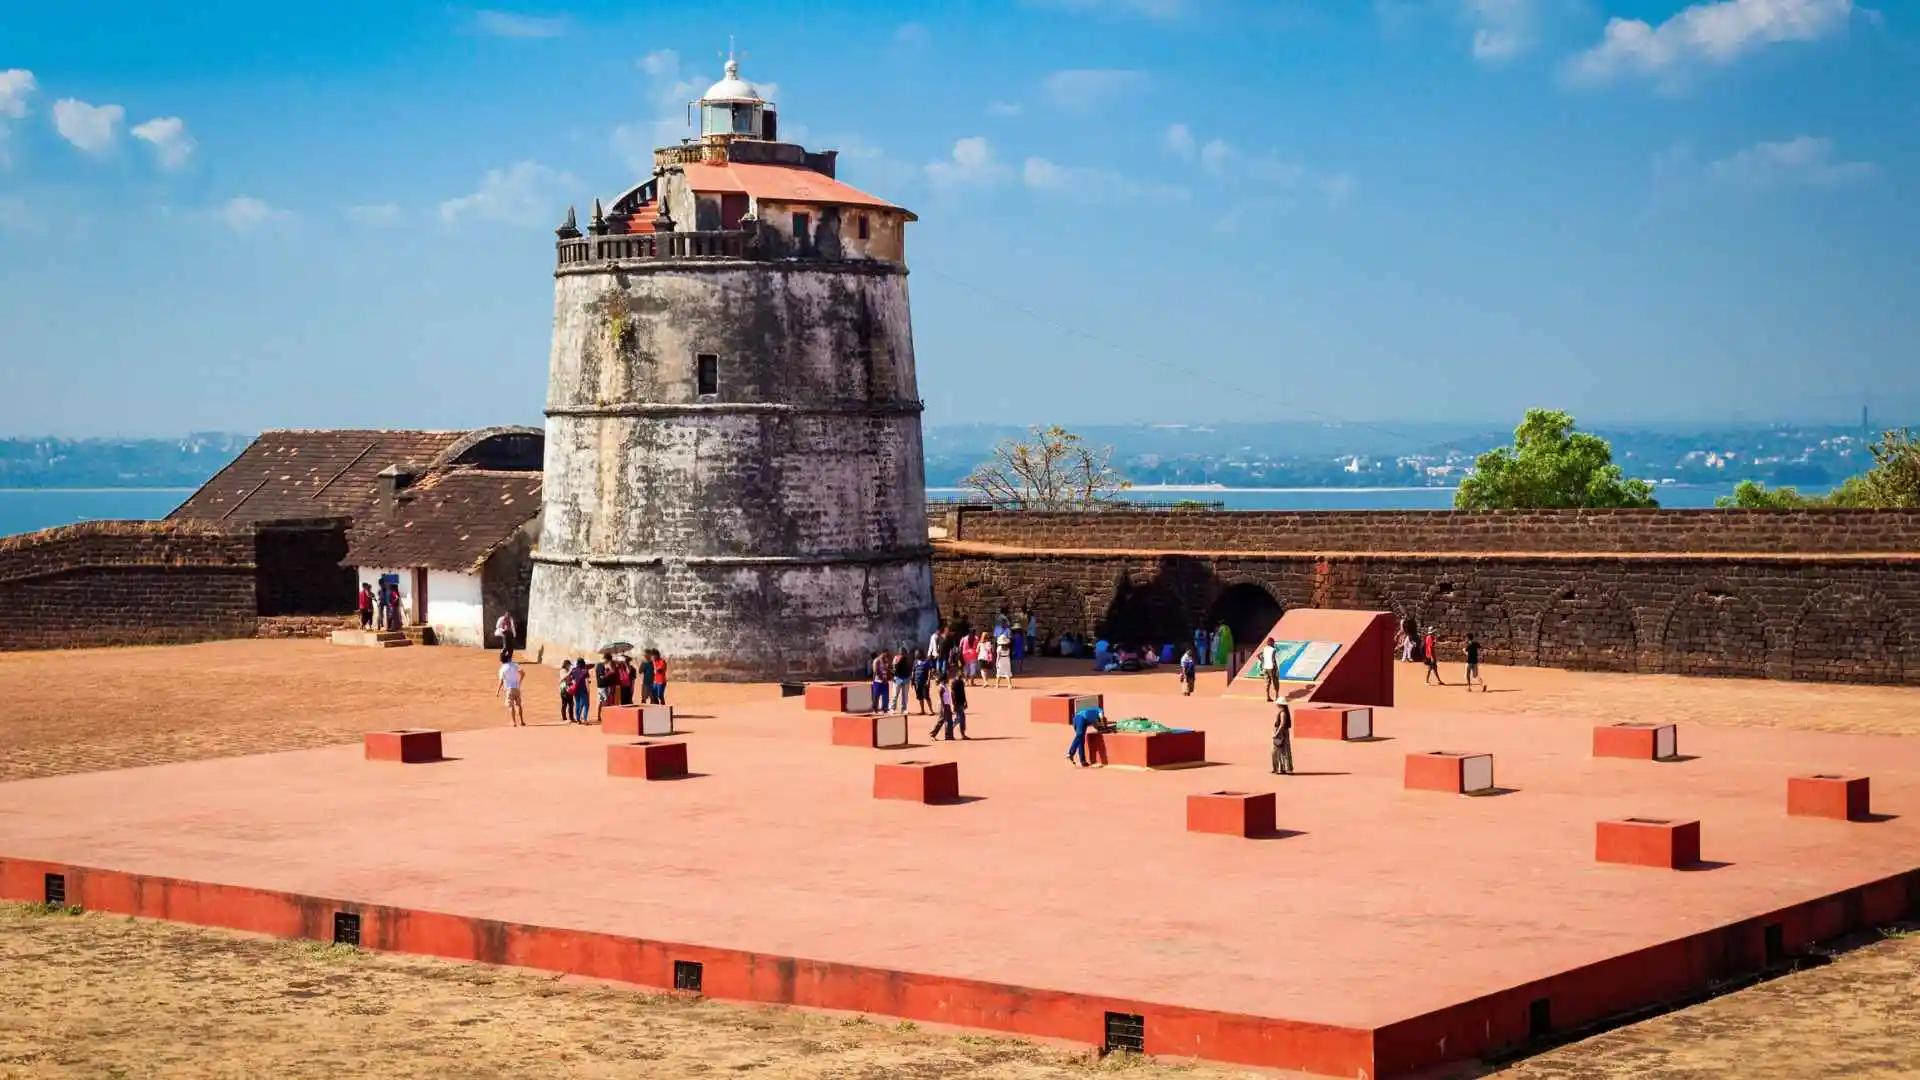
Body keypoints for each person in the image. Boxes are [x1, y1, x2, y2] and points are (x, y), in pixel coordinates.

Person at [498, 649, 525, 726]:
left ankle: (513, 722)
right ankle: (522, 721)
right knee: (518, 704)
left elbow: (501, 682)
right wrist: (519, 681)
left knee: (511, 705)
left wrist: (497, 691)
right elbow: (523, 673)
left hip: (509, 689)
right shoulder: (515, 665)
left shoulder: (502, 669)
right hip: (517, 688)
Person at [1272, 699, 1294, 775]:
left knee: (1277, 751)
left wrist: (1277, 734)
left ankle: (1280, 768)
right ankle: (1283, 768)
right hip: (1283, 733)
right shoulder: (1284, 712)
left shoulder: (1282, 713)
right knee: (1283, 751)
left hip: (1281, 734)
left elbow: (1282, 725)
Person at [568, 657, 593, 723]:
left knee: (577, 704)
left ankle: (578, 719)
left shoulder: (573, 670)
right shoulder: (585, 670)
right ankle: (585, 719)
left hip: (576, 690)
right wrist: (588, 690)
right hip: (583, 689)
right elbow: (586, 681)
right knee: (586, 704)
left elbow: (573, 681)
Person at [931, 675, 954, 741]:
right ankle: (933, 734)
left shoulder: (945, 686)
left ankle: (948, 736)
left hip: (947, 705)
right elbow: (941, 699)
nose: (948, 680)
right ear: (943, 680)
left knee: (949, 721)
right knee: (941, 721)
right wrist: (943, 708)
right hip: (943, 706)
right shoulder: (941, 688)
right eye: (947, 679)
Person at [949, 670, 970, 738]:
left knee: (960, 718)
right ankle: (952, 730)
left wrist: (965, 701)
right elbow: (952, 694)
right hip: (957, 702)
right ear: (957, 675)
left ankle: (950, 729)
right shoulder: (954, 682)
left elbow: (963, 692)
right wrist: (954, 704)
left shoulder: (961, 682)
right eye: (961, 676)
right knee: (961, 718)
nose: (962, 677)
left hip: (961, 702)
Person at [891, 648, 912, 715]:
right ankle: (892, 708)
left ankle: (904, 709)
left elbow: (910, 668)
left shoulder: (908, 659)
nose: (902, 653)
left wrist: (909, 677)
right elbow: (894, 668)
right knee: (895, 695)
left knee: (905, 696)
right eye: (901, 652)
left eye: (903, 652)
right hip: (897, 678)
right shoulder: (896, 658)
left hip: (906, 678)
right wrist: (898, 660)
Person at [1263, 637, 1283, 702]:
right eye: (1273, 642)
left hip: (1265, 667)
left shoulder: (1265, 648)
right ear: (1271, 642)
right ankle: (1277, 696)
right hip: (1271, 667)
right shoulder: (1273, 650)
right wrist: (1276, 668)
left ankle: (1267, 696)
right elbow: (1273, 660)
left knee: (1267, 683)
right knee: (1275, 681)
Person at [558, 659, 575, 724]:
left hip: (569, 689)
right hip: (564, 689)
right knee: (565, 704)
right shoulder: (562, 670)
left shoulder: (567, 671)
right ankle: (565, 718)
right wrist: (569, 672)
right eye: (569, 665)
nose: (569, 666)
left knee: (570, 703)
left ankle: (571, 717)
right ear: (566, 665)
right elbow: (563, 677)